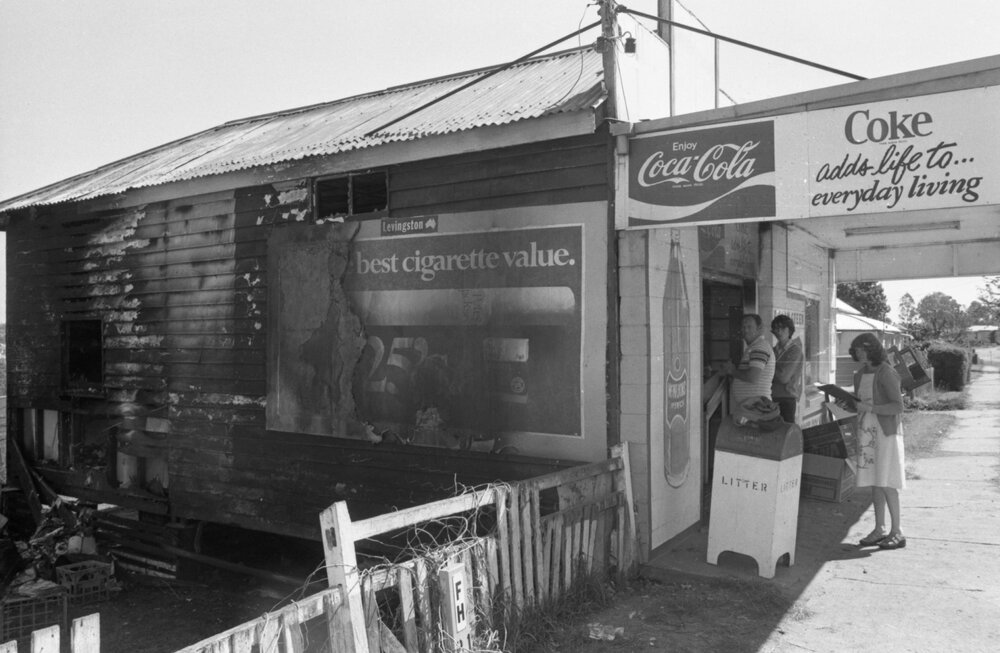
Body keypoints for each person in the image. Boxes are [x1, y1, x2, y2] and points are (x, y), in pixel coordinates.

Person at [851, 332, 907, 550]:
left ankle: (897, 532)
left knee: (887, 481)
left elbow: (898, 407)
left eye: (860, 349)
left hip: (886, 433)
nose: (857, 353)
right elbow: (859, 402)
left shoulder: (887, 373)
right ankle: (879, 528)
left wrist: (871, 408)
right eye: (855, 350)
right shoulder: (859, 374)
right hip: (867, 431)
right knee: (875, 481)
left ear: (870, 349)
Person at [722, 313, 775, 410]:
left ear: (759, 329)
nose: (745, 330)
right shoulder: (754, 347)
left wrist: (732, 371)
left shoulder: (760, 347)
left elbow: (752, 377)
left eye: (749, 327)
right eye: (743, 327)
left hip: (756, 408)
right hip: (753, 407)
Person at [770, 314, 804, 423]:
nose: (779, 331)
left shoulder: (795, 350)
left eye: (782, 328)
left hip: (787, 398)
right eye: (776, 328)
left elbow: (783, 377)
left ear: (789, 330)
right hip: (771, 397)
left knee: (786, 434)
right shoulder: (772, 350)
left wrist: (768, 370)